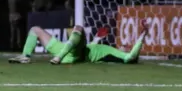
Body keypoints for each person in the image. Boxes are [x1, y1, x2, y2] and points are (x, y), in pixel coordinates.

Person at [8, 21, 148, 65]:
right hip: (66, 48)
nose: (126, 46)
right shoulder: (104, 49)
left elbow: (130, 57)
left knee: (79, 27)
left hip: (75, 54)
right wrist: (97, 38)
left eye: (128, 47)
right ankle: (25, 56)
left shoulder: (110, 52)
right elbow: (92, 46)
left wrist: (143, 34)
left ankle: (59, 57)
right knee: (35, 29)